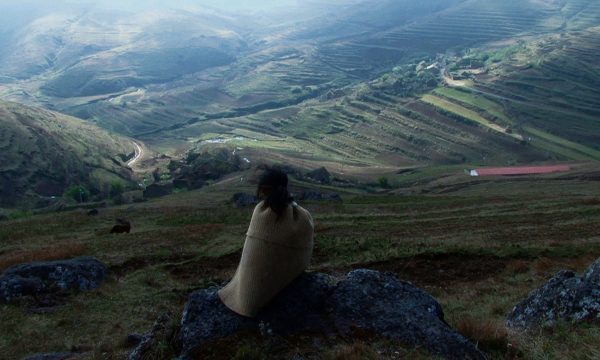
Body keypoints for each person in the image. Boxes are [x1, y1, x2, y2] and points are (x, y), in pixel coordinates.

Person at [218, 168, 314, 318]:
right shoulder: (302, 216)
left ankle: (247, 295)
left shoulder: (260, 211)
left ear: (265, 189)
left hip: (246, 298)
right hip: (294, 269)